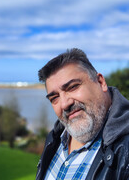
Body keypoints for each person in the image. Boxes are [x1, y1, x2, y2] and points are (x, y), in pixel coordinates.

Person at [36, 48, 129, 180]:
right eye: (54, 98)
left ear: (101, 82)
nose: (64, 104)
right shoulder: (54, 138)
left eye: (73, 87)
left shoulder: (125, 150)